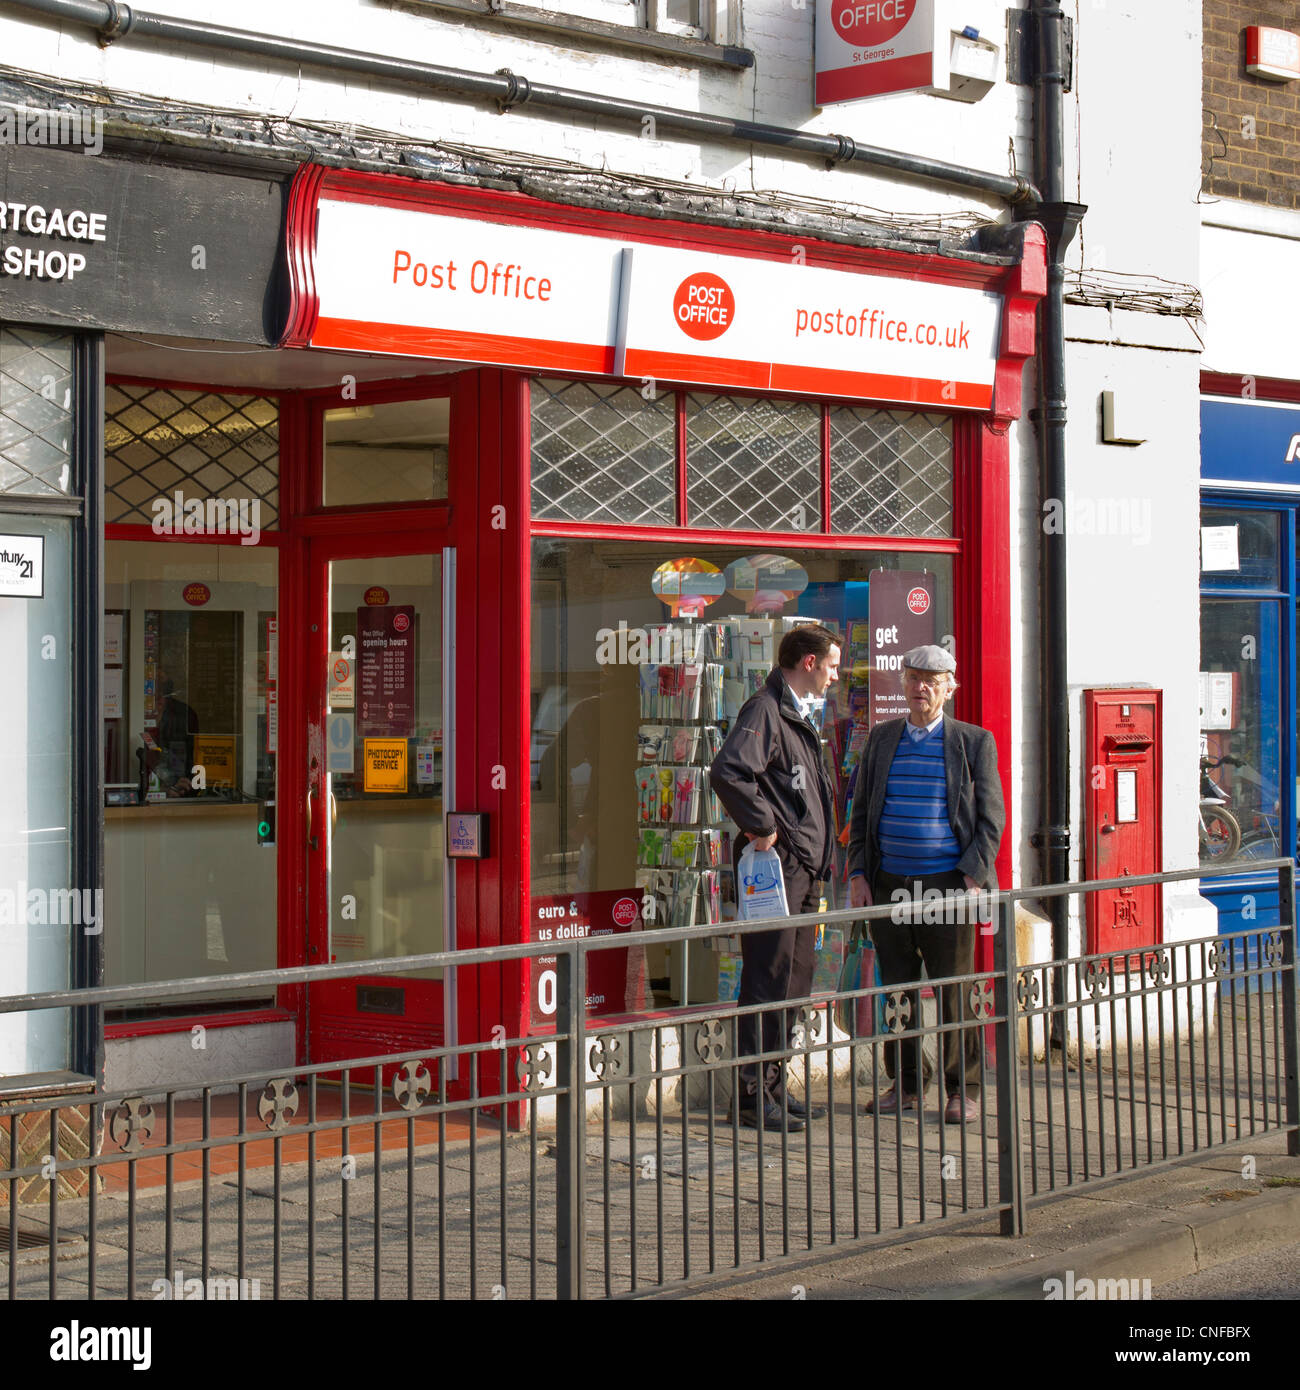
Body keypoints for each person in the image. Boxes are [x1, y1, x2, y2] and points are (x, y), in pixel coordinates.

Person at [846, 644, 1004, 1124]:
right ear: (903, 684)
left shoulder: (973, 742)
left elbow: (990, 818)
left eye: (932, 681)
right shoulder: (881, 739)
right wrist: (857, 872)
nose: (921, 688)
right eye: (914, 678)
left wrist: (974, 875)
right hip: (890, 882)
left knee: (954, 989)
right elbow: (861, 811)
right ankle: (908, 1085)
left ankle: (964, 1089)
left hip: (948, 886)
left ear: (949, 688)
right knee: (898, 991)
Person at [709, 623, 840, 1132]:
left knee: (794, 981)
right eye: (829, 665)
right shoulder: (765, 709)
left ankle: (772, 1085)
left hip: (804, 872)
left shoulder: (795, 713)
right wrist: (762, 827)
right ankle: (749, 1098)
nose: (834, 676)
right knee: (766, 982)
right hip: (779, 870)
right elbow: (728, 771)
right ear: (807, 662)